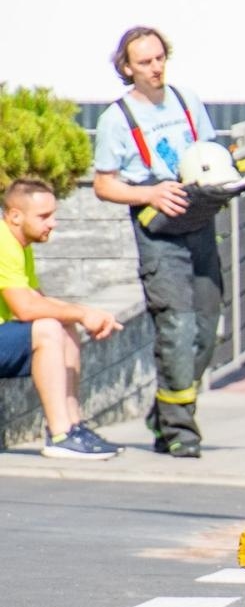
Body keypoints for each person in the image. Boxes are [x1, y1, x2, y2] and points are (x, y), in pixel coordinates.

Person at [92, 26, 223, 460]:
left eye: (159, 58)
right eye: (145, 62)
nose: (155, 68)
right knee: (177, 330)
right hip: (159, 236)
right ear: (127, 68)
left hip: (198, 225)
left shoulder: (187, 101)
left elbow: (208, 155)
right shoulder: (116, 119)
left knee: (206, 330)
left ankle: (163, 414)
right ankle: (181, 430)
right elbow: (104, 185)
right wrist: (149, 193)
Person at [0, 181, 124, 460]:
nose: (53, 223)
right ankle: (60, 436)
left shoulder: (18, 244)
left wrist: (87, 313)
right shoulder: (2, 243)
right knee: (47, 329)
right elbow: (25, 309)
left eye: (53, 215)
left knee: (63, 324)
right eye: (44, 216)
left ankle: (73, 425)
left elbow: (37, 299)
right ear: (15, 215)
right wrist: (82, 314)